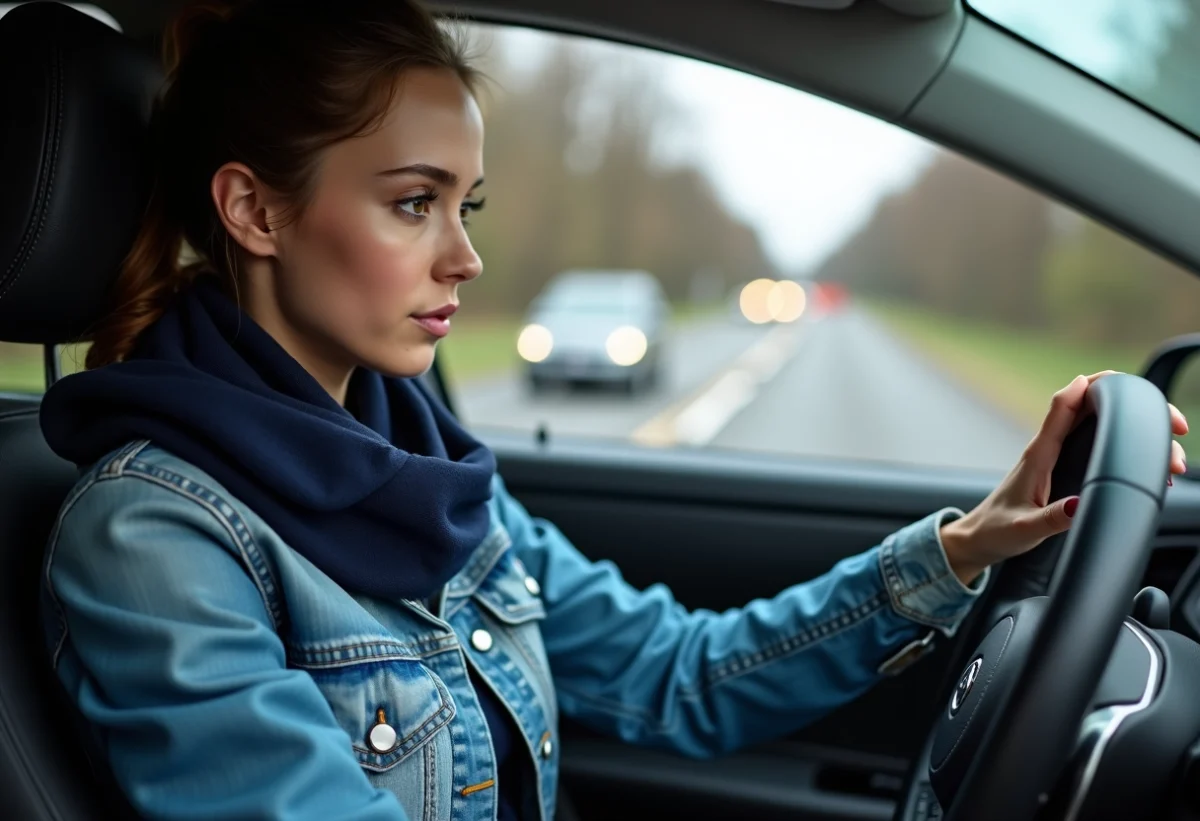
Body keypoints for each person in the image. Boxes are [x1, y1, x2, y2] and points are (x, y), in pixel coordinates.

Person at [36, 1, 1188, 819]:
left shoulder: (427, 467)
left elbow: (680, 674)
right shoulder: (153, 537)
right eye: (412, 203)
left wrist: (961, 545)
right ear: (254, 210)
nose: (467, 258)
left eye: (466, 203)